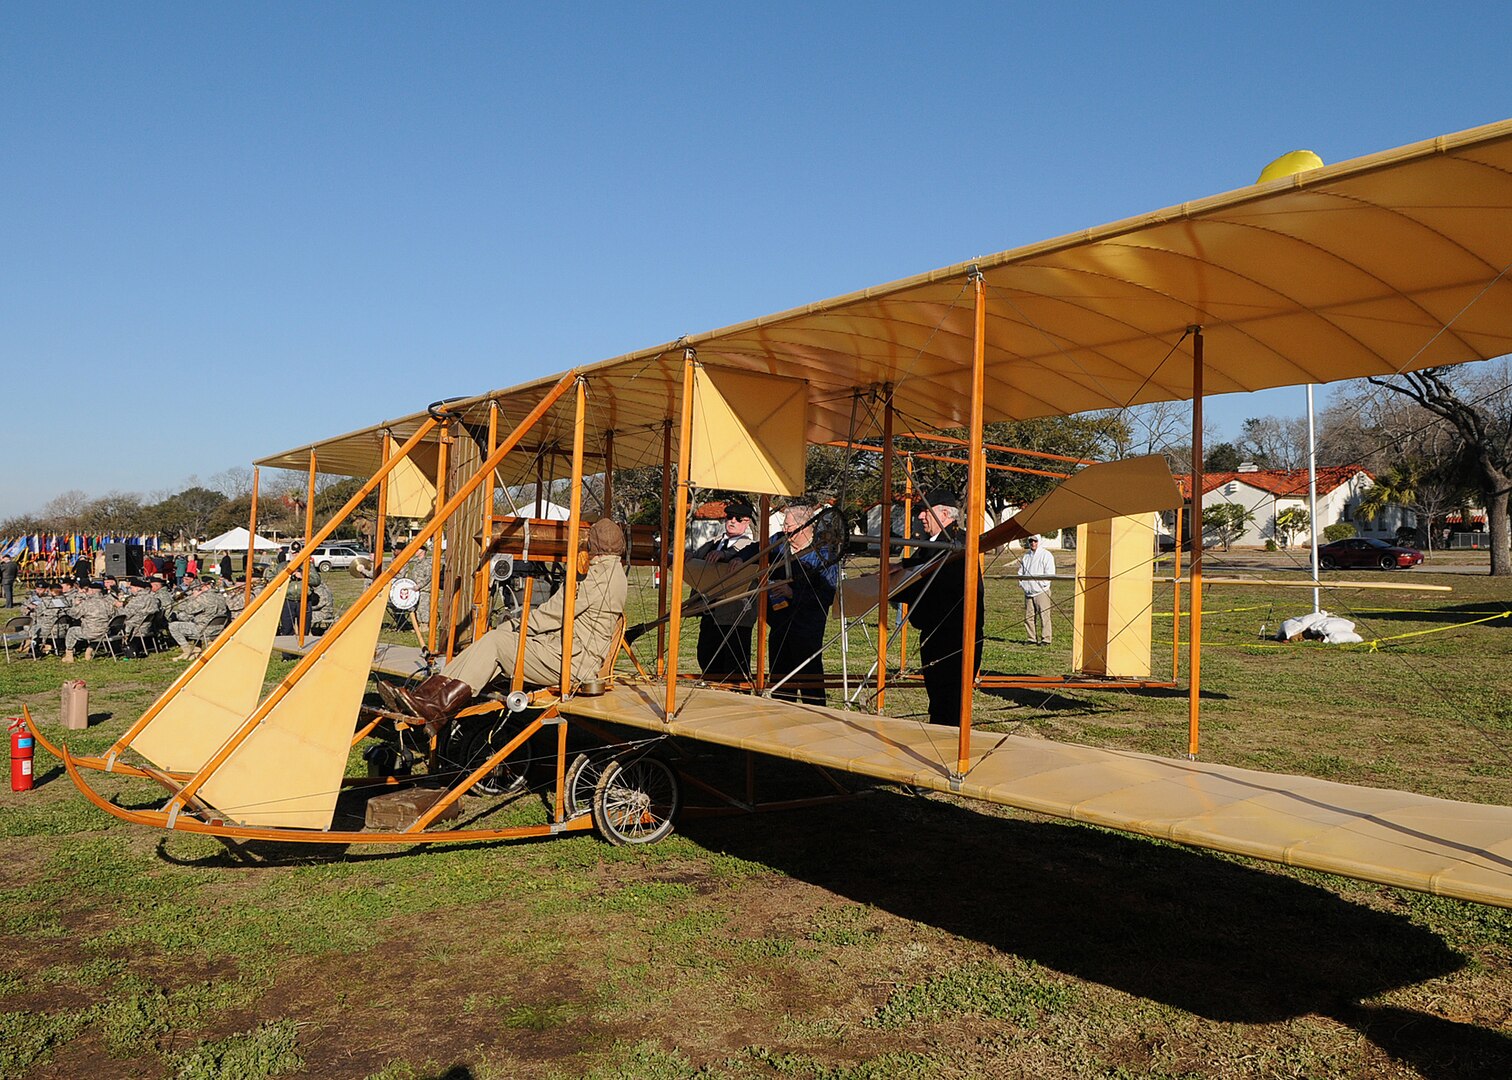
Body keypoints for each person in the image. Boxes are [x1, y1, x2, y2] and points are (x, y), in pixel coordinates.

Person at [396, 518, 628, 726]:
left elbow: (553, 614)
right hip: (571, 654)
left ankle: (437, 707)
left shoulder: (595, 578)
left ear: (593, 545)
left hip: (572, 662)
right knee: (496, 644)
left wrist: (516, 624)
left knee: (497, 641)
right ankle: (425, 697)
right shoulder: (614, 574)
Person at [889, 491, 984, 726]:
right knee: (939, 700)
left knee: (949, 702)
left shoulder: (956, 543)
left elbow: (928, 581)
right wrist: (896, 570)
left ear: (943, 513)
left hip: (954, 639)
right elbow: (920, 566)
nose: (921, 516)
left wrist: (891, 587)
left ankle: (949, 749)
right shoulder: (934, 544)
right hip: (935, 635)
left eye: (925, 511)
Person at [766, 504, 838, 706]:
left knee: (810, 679)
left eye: (788, 525)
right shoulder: (778, 542)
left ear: (804, 525)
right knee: (779, 679)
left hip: (807, 626)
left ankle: (814, 722)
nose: (785, 529)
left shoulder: (824, 553)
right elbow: (756, 549)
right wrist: (732, 556)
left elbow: (827, 592)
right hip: (779, 623)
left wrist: (793, 593)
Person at [690, 499, 759, 683]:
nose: (732, 521)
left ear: (747, 522)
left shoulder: (750, 547)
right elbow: (693, 560)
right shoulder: (714, 542)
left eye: (738, 518)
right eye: (729, 517)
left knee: (734, 665)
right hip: (709, 610)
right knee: (706, 655)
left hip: (735, 615)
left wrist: (725, 556)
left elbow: (743, 559)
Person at [168, 577, 231, 661]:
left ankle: (187, 651)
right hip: (219, 628)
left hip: (203, 629)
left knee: (173, 626)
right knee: (193, 620)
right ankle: (197, 649)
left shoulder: (203, 597)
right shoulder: (220, 596)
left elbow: (189, 610)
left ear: (205, 585)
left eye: (201, 586)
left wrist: (194, 597)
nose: (199, 588)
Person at [63, 580, 118, 662]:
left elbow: (73, 614)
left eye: (88, 590)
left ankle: (69, 654)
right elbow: (113, 614)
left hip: (89, 632)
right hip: (104, 632)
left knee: (71, 631)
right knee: (96, 632)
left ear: (91, 591)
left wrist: (73, 606)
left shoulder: (86, 603)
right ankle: (89, 651)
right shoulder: (108, 602)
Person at [1017, 534, 1056, 646]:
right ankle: (1031, 638)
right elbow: (1021, 572)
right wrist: (1023, 585)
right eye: (1031, 541)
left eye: (1035, 541)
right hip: (1028, 592)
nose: (1033, 543)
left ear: (1039, 541)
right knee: (1029, 617)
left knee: (1044, 616)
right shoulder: (1026, 556)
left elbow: (1049, 573)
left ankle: (1046, 639)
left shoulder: (1046, 555)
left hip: (1041, 592)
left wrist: (1039, 585)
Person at [121, 578, 161, 655]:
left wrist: (120, 606)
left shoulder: (137, 600)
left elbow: (124, 614)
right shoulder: (153, 598)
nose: (130, 590)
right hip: (148, 627)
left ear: (137, 588)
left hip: (135, 627)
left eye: (131, 588)